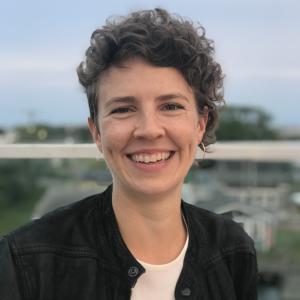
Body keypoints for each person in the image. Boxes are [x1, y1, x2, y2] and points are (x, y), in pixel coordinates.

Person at [0, 8, 258, 299]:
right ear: (96, 132)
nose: (149, 130)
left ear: (200, 124)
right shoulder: (25, 263)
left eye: (171, 106)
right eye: (123, 109)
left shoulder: (233, 251)